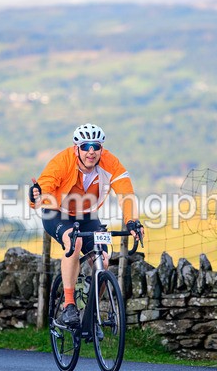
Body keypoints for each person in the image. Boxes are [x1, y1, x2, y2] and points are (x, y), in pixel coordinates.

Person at [30, 123, 144, 327]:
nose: (91, 151)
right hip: (57, 213)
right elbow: (43, 188)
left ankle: (90, 313)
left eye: (96, 146)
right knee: (74, 243)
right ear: (77, 149)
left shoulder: (110, 163)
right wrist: (35, 197)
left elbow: (126, 194)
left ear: (101, 149)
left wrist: (132, 221)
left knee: (103, 260)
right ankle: (69, 305)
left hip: (86, 214)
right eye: (85, 146)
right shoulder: (62, 162)